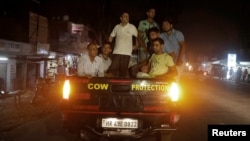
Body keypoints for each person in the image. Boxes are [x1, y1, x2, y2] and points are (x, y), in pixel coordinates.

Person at [107, 12, 138, 77]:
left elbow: (138, 36)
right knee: (112, 70)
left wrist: (136, 45)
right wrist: (108, 46)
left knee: (123, 72)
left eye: (128, 16)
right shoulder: (117, 27)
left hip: (126, 53)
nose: (127, 17)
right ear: (121, 18)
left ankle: (121, 86)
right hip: (116, 51)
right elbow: (111, 36)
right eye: (125, 16)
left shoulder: (132, 27)